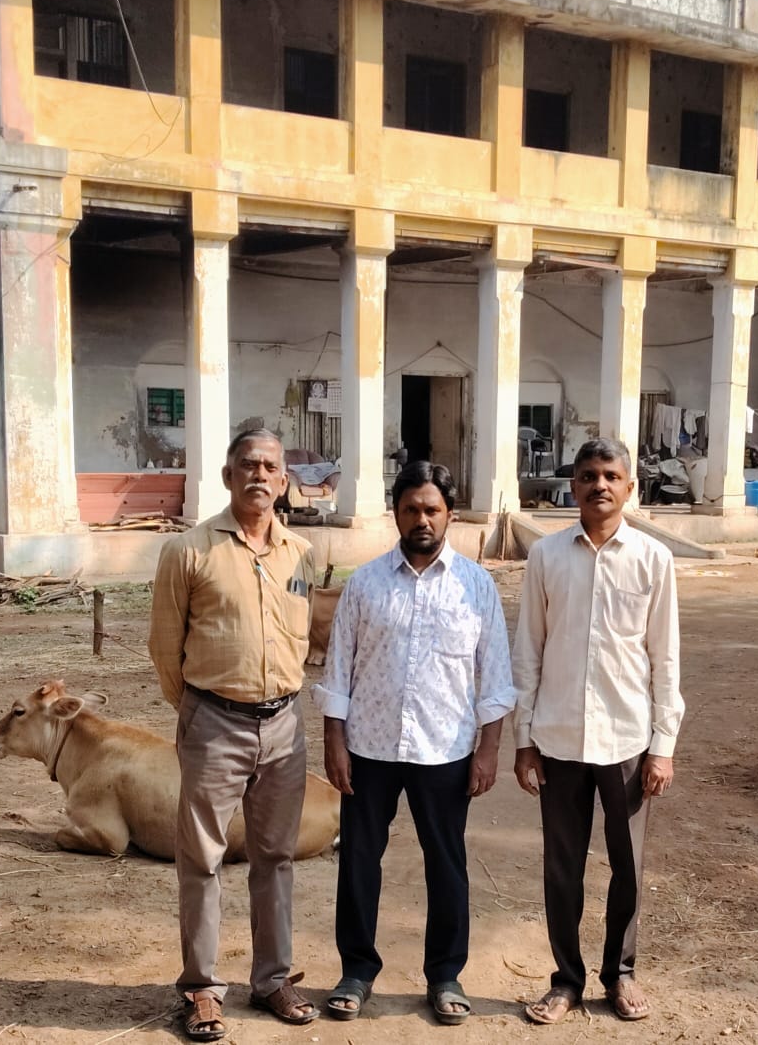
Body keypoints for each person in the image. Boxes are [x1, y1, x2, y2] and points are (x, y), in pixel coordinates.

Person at [312, 460, 515, 1026]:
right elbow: (338, 668)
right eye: (410, 509)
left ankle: (446, 975)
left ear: (450, 515)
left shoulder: (476, 586)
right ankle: (356, 971)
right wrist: (334, 741)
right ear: (396, 514)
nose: (421, 519)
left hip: (445, 749)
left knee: (446, 863)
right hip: (369, 747)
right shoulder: (365, 583)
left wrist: (488, 748)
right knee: (359, 861)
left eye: (432, 509)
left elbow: (496, 675)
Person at [149, 428, 321, 1041]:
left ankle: (272, 980)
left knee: (275, 857)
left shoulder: (302, 554)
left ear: (284, 481)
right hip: (214, 722)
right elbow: (165, 649)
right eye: (248, 465)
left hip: (284, 728)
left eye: (271, 467)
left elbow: (307, 637)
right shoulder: (188, 551)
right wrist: (201, 711)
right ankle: (201, 988)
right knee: (202, 857)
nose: (259, 475)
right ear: (228, 476)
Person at [513, 436, 685, 1025]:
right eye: (588, 476)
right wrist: (524, 740)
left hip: (628, 741)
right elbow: (528, 652)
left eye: (611, 476)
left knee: (628, 866)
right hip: (558, 737)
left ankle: (621, 973)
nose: (600, 486)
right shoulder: (546, 556)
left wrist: (663, 747)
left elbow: (665, 659)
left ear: (630, 487)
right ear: (574, 486)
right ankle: (566, 980)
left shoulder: (653, 559)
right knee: (562, 867)